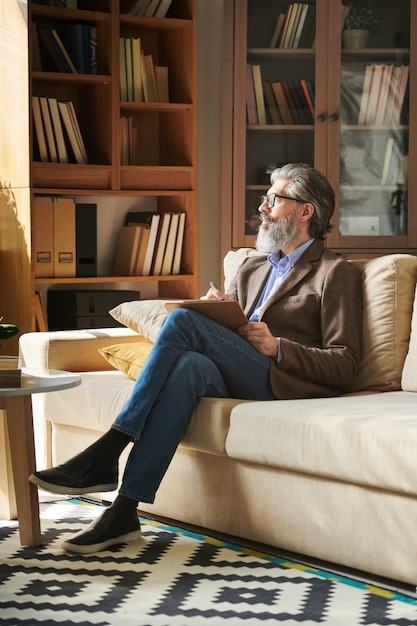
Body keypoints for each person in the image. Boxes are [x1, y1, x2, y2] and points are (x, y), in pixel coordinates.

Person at [30, 163, 363, 554]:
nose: (263, 208)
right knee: (189, 366)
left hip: (281, 379)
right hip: (238, 370)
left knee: (184, 321)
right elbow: (233, 330)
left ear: (306, 211)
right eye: (265, 199)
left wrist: (279, 347)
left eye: (274, 199)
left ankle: (110, 447)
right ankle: (124, 510)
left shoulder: (334, 272)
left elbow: (345, 362)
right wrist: (217, 313)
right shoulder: (251, 266)